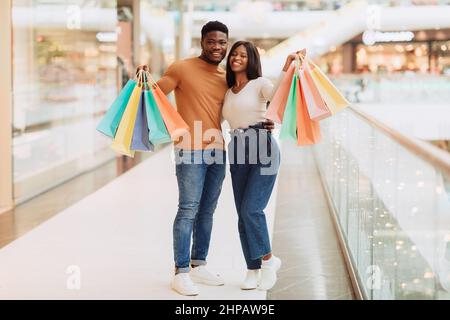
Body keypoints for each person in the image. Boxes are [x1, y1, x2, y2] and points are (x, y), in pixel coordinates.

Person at [137, 22, 274, 296]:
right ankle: (181, 272)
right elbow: (154, 94)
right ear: (202, 42)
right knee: (188, 208)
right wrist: (142, 81)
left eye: (222, 43)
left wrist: (267, 121)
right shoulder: (181, 68)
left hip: (219, 149)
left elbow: (247, 103)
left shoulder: (226, 78)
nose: (217, 47)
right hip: (189, 148)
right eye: (212, 42)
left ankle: (199, 264)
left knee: (207, 211)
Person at [222, 41, 302, 291]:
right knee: (242, 216)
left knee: (252, 210)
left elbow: (276, 94)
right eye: (234, 54)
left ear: (252, 59)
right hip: (237, 149)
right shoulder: (227, 90)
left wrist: (287, 65)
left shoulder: (260, 84)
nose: (236, 58)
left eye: (243, 55)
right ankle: (252, 269)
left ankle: (268, 261)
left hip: (262, 147)